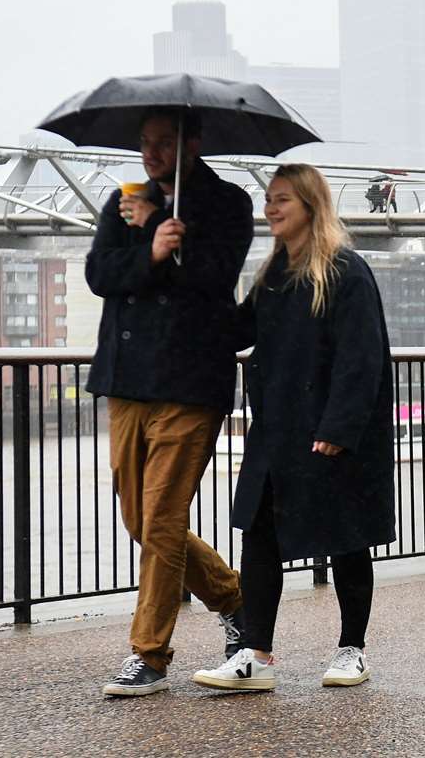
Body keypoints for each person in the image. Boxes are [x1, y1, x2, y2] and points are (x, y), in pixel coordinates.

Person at [193, 163, 396, 693]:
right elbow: (233, 331)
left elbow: (362, 357)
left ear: (311, 205)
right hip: (278, 429)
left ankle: (352, 648)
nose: (271, 207)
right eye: (268, 198)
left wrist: (340, 427)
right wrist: (198, 268)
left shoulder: (345, 272)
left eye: (283, 198)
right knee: (259, 536)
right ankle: (255, 655)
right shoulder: (273, 276)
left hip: (327, 430)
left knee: (346, 539)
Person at [86, 108, 255, 698]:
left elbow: (213, 281)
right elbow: (99, 275)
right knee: (138, 518)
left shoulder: (228, 203)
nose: (150, 154)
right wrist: (150, 248)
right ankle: (234, 599)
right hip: (127, 380)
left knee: (161, 518)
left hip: (189, 382)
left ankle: (148, 655)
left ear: (193, 144)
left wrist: (163, 226)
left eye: (162, 143)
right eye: (144, 143)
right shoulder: (122, 201)